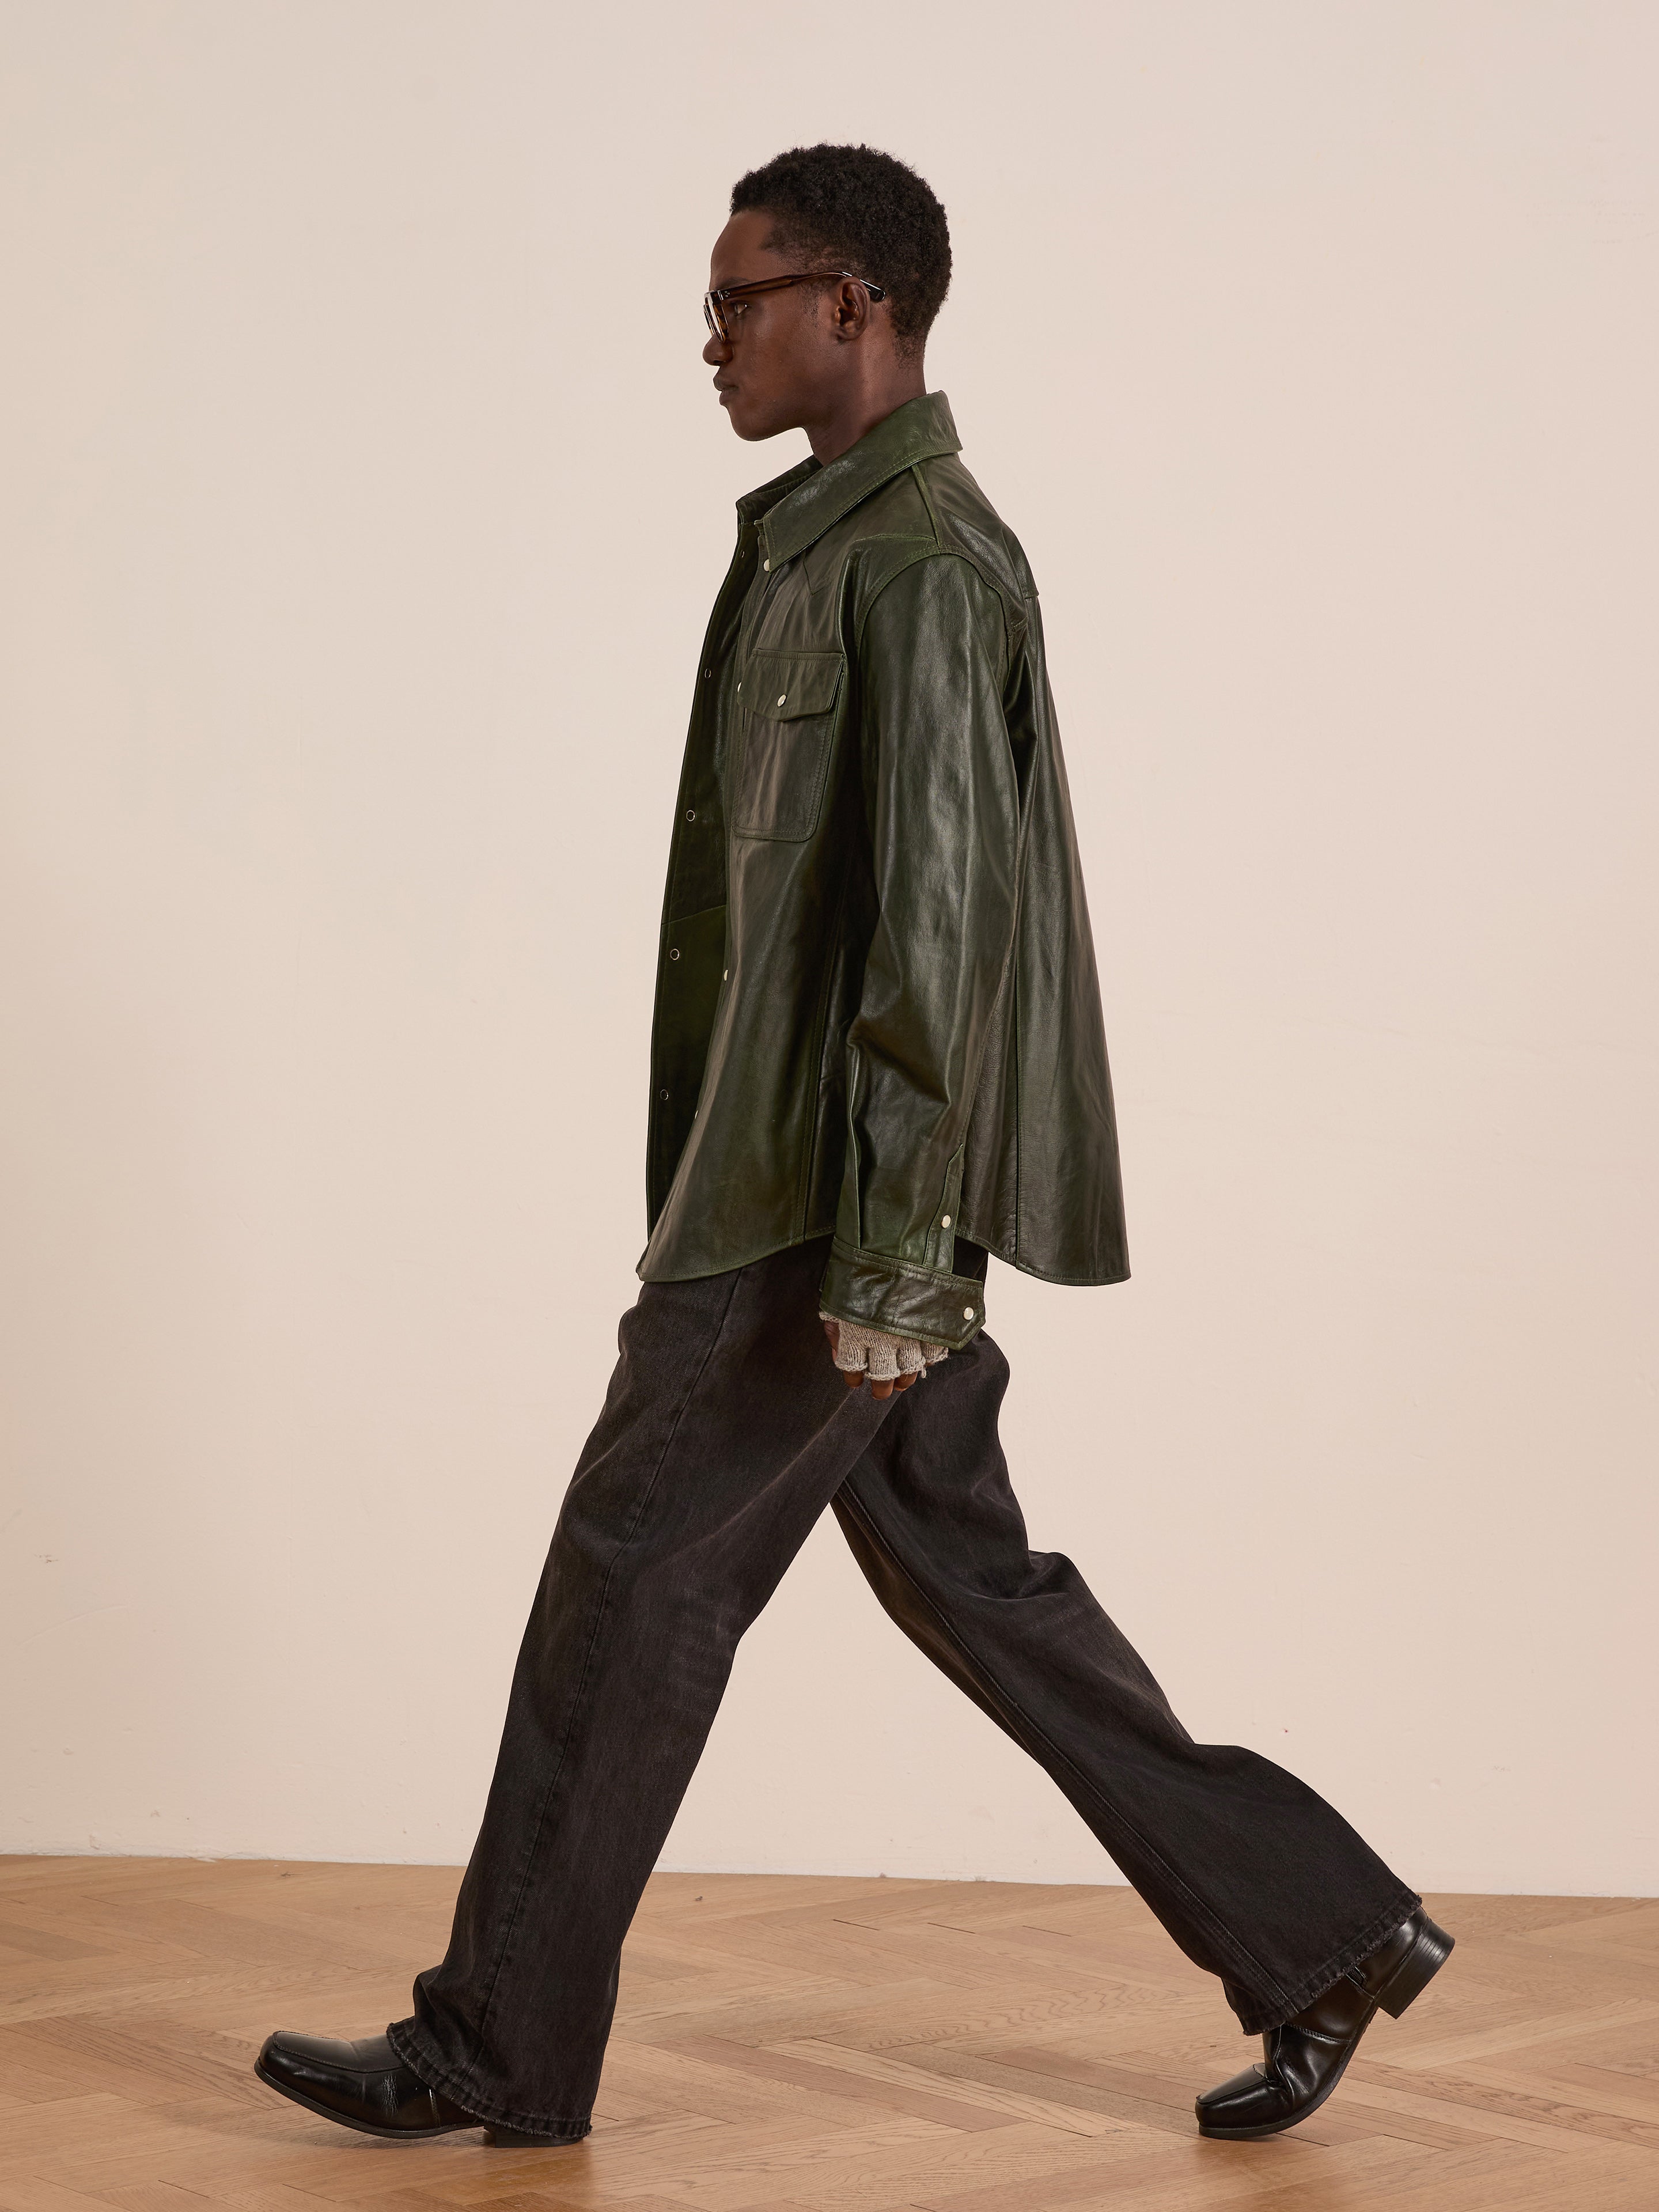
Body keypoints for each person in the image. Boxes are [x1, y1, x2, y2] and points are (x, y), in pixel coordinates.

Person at [255, 142, 1450, 2153]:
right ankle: (1325, 1930)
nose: (710, 338)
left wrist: (898, 1264)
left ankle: (492, 2044)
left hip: (819, 1217)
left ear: (860, 307)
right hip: (818, 1189)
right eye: (711, 300)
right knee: (981, 1589)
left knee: (625, 1594)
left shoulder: (918, 564)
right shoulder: (822, 546)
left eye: (744, 298)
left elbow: (937, 938)